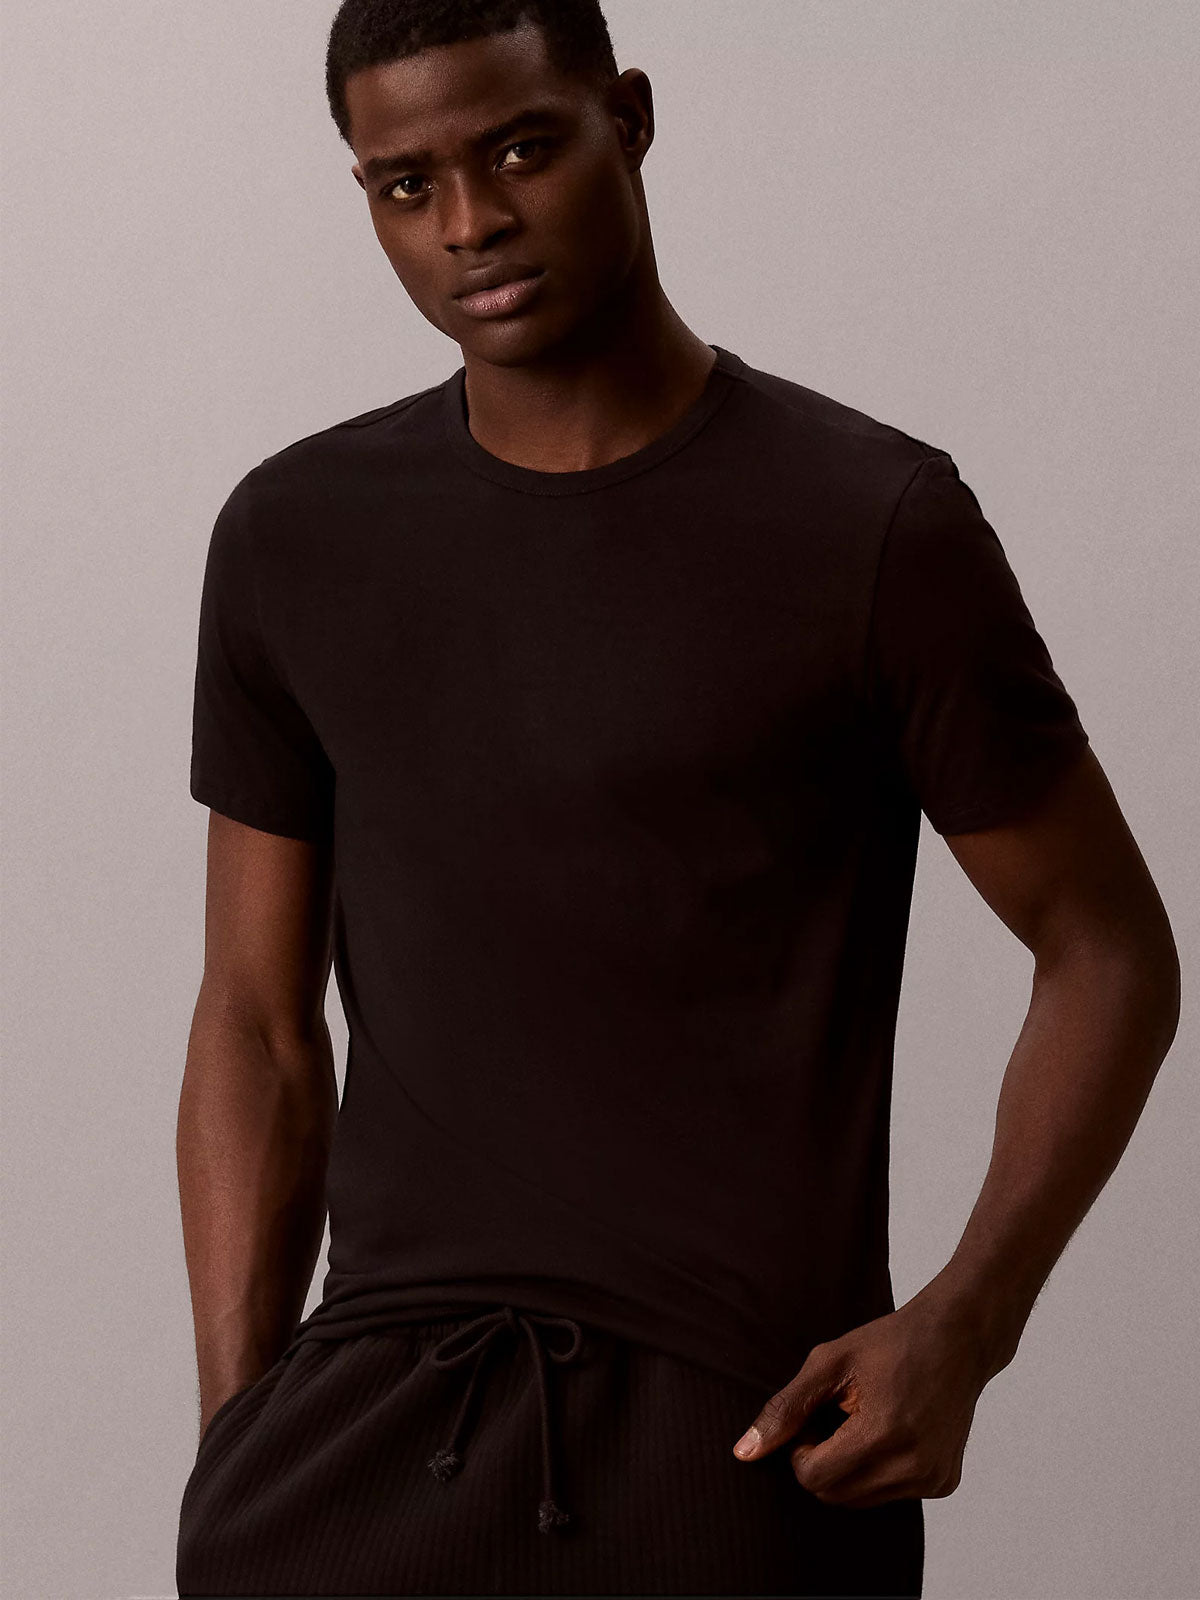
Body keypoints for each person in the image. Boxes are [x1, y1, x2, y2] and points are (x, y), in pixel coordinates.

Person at [173, 1, 1180, 1596]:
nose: (470, 222)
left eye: (521, 148)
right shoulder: (295, 539)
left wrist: (966, 1322)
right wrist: (236, 1443)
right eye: (405, 184)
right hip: (361, 1457)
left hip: (737, 1456)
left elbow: (1110, 950)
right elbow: (255, 1021)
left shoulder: (870, 526)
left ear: (628, 119)